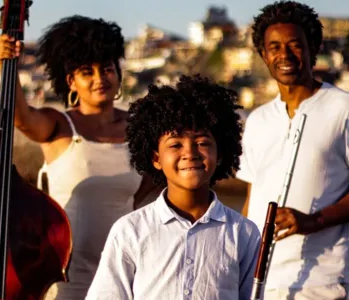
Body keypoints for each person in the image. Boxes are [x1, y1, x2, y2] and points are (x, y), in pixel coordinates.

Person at [0, 15, 156, 300]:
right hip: (66, 277)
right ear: (71, 81)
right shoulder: (58, 125)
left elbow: (151, 187)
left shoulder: (139, 128)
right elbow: (21, 119)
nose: (99, 78)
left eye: (106, 69)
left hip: (124, 273)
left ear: (118, 74)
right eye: (87, 72)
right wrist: (7, 66)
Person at [237, 1, 349, 299]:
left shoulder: (346, 108)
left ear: (313, 49)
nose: (285, 55)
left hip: (319, 284)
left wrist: (312, 221)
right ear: (263, 54)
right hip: (256, 283)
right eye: (275, 47)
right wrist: (238, 264)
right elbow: (251, 202)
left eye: (295, 45)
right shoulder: (257, 120)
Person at [86, 74, 261, 300]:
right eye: (176, 144)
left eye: (202, 143)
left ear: (220, 153)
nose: (190, 153)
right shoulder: (130, 231)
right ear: (156, 158)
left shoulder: (244, 233)